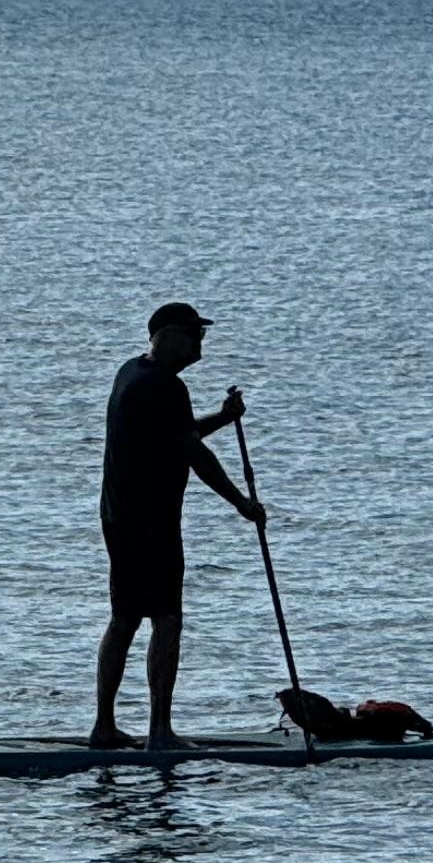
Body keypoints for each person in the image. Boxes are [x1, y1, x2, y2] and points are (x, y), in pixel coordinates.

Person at [91, 300, 263, 753]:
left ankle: (105, 727)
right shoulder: (165, 387)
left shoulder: (132, 372)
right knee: (166, 620)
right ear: (165, 336)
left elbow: (173, 434)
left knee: (126, 617)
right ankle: (160, 732)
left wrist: (223, 418)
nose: (200, 345)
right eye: (192, 335)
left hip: (119, 516)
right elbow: (194, 454)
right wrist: (242, 504)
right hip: (149, 523)